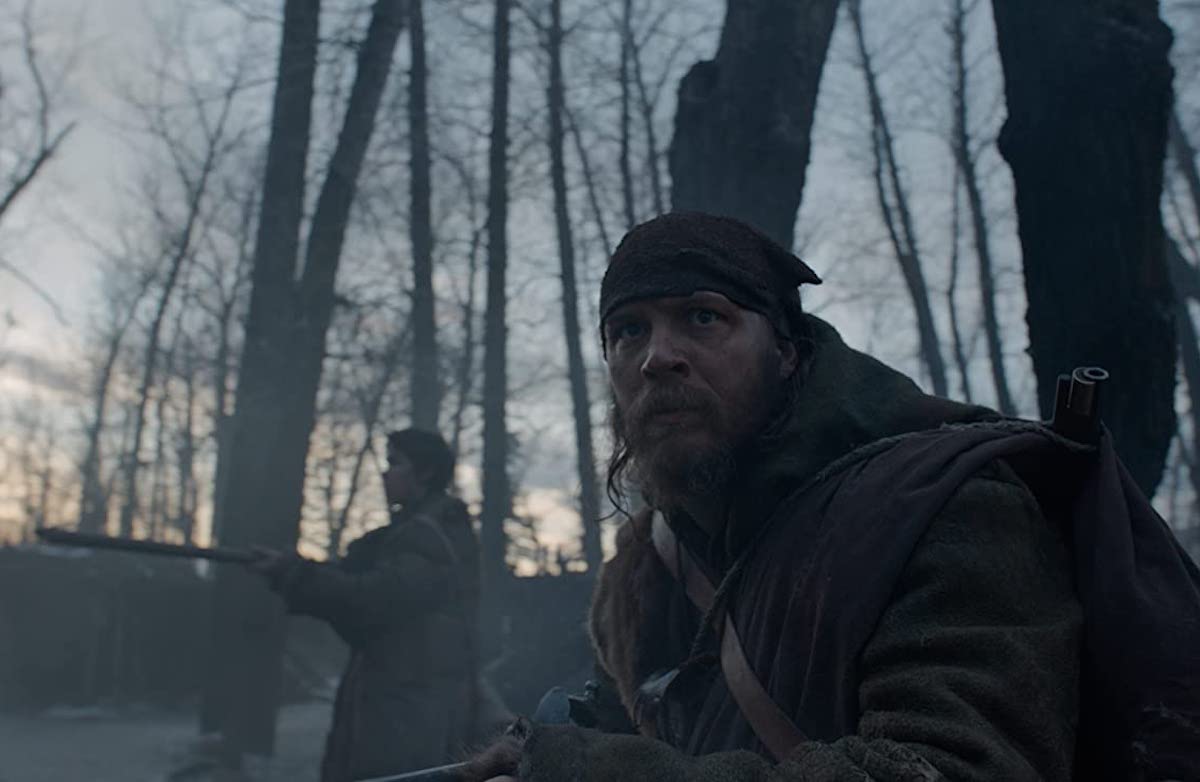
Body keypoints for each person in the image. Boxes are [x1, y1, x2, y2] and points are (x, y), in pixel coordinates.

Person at [465, 212, 1200, 782]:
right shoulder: (649, 560)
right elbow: (632, 726)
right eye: (629, 331)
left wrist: (597, 773)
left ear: (787, 352)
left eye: (703, 316)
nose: (659, 357)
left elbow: (947, 770)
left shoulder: (946, 507)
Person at [251, 428, 480, 782]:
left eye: (395, 463)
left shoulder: (432, 534)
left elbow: (375, 597)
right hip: (401, 699)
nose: (385, 473)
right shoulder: (415, 532)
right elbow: (363, 583)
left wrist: (295, 574)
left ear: (425, 472)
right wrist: (295, 571)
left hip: (408, 707)